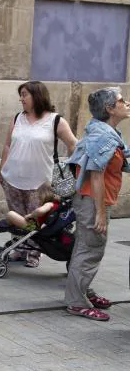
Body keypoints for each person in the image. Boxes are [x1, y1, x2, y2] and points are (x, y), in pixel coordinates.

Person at [64, 88, 129, 321]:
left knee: (86, 247)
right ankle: (77, 302)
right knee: (90, 250)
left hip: (91, 199)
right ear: (110, 109)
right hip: (93, 201)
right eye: (122, 101)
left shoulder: (106, 131)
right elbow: (96, 174)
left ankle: (83, 290)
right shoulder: (104, 135)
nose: (127, 103)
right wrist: (100, 213)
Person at [0, 81, 77, 267]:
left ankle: (35, 252)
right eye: (21, 95)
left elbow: (74, 144)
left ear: (37, 95)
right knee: (18, 218)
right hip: (13, 178)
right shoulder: (17, 118)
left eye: (24, 94)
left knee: (36, 220)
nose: (21, 99)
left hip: (41, 182)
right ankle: (20, 248)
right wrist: (2, 169)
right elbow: (8, 144)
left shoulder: (55, 120)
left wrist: (72, 171)